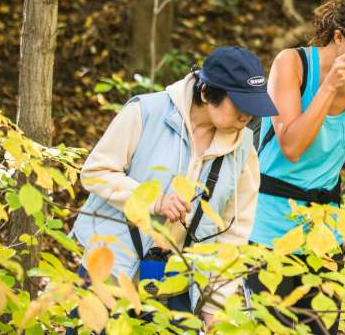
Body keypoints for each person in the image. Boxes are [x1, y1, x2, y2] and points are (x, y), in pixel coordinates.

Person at [70, 46, 276, 329]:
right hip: (112, 267)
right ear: (206, 93)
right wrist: (152, 200)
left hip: (179, 284)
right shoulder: (145, 112)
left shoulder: (244, 150)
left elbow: (234, 230)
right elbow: (96, 172)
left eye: (252, 108)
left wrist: (215, 303)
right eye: (239, 105)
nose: (247, 117)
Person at [247, 0, 345, 334]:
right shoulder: (293, 63)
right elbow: (291, 146)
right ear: (338, 36)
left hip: (323, 231)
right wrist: (328, 87)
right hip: (268, 225)